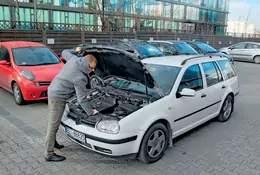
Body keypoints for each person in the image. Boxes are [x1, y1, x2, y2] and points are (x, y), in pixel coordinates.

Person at [44, 47, 98, 162]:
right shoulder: (80, 77)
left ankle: (53, 143)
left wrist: (76, 50)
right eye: (92, 68)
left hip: (53, 89)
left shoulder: (74, 59)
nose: (92, 71)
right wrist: (91, 112)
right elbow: (82, 99)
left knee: (54, 121)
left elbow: (63, 52)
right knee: (53, 125)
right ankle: (48, 154)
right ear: (87, 65)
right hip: (58, 97)